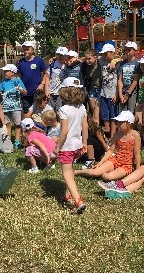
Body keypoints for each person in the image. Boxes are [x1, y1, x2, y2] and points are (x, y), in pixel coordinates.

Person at [53, 77, 89, 214]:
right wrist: (84, 142)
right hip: (77, 145)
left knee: (67, 173)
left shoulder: (63, 109)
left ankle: (78, 201)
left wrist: (57, 146)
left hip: (67, 146)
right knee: (71, 169)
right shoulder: (82, 107)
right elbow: (85, 126)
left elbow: (64, 131)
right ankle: (67, 195)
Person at [74, 111, 141, 180]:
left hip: (126, 165)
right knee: (95, 172)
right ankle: (77, 172)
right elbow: (110, 151)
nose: (118, 124)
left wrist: (137, 170)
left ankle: (106, 172)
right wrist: (101, 162)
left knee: (108, 177)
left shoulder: (135, 135)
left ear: (129, 124)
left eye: (121, 122)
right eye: (118, 122)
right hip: (115, 160)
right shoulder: (117, 134)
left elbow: (137, 154)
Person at [0, 63, 27, 149]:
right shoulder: (3, 82)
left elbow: (25, 92)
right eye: (5, 71)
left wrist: (20, 89)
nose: (5, 73)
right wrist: (1, 95)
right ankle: (8, 140)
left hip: (16, 107)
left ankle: (17, 141)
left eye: (7, 71)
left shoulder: (18, 81)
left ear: (13, 72)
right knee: (7, 124)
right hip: (5, 106)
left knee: (17, 124)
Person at [128, 55, 144, 148]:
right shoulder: (141, 76)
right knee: (138, 122)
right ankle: (139, 138)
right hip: (140, 101)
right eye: (141, 65)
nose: (142, 67)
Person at [17, 41, 47, 114]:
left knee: (38, 110)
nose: (26, 51)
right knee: (27, 111)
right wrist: (20, 88)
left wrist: (42, 84)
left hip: (37, 90)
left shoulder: (39, 60)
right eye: (24, 49)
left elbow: (46, 73)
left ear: (33, 50)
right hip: (25, 92)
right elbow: (18, 76)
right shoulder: (21, 62)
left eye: (28, 49)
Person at [99, 43, 121, 137]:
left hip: (113, 94)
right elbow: (88, 57)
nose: (104, 55)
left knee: (113, 115)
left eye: (106, 53)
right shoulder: (102, 60)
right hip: (103, 93)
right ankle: (107, 133)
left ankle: (113, 135)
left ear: (112, 53)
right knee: (105, 115)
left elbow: (123, 58)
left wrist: (115, 60)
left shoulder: (118, 64)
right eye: (103, 54)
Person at [81, 49, 102, 124]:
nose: (87, 61)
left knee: (96, 114)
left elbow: (117, 59)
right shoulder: (87, 66)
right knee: (94, 112)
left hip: (100, 89)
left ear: (95, 57)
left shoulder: (100, 64)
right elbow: (78, 60)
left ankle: (97, 132)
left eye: (89, 58)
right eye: (86, 59)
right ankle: (96, 129)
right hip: (92, 89)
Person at [118, 41, 139, 113]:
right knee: (123, 113)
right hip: (123, 91)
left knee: (131, 112)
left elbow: (135, 80)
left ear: (135, 51)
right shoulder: (122, 63)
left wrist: (128, 93)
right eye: (126, 49)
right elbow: (120, 80)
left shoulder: (137, 63)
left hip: (132, 92)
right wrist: (120, 94)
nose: (127, 51)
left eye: (129, 50)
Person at [45, 47, 67, 111]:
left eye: (62, 55)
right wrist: (46, 90)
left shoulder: (68, 64)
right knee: (50, 111)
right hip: (51, 91)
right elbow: (47, 77)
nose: (60, 57)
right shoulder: (52, 64)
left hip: (62, 93)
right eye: (58, 55)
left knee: (60, 111)